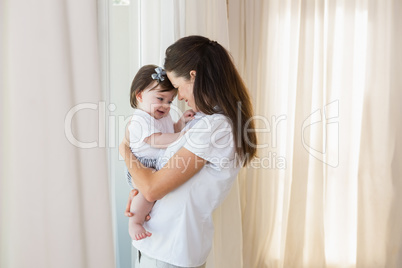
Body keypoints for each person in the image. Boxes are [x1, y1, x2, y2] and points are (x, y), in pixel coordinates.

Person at [120, 35, 257, 268]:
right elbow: (158, 181)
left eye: (177, 88)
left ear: (193, 76)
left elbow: (153, 188)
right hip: (163, 243)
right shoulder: (202, 120)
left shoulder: (214, 127)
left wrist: (125, 149)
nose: (180, 97)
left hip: (169, 250)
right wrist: (139, 194)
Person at [126, 64, 195, 241]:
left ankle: (145, 214)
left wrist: (180, 123)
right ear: (140, 95)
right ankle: (134, 223)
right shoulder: (139, 120)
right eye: (160, 98)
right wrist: (181, 136)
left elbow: (168, 131)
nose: (165, 105)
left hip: (156, 164)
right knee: (145, 196)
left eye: (170, 101)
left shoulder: (162, 116)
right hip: (143, 163)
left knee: (153, 198)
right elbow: (157, 139)